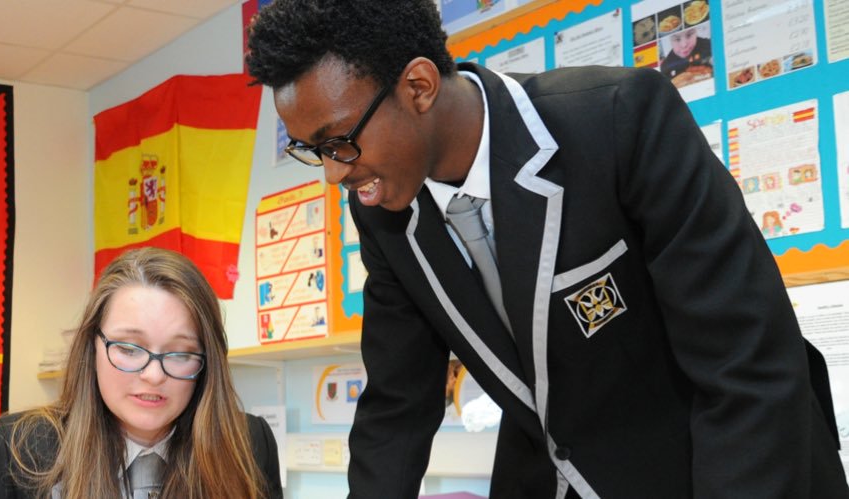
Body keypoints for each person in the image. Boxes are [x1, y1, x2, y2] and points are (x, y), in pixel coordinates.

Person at [245, 1, 846, 498]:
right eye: (310, 150)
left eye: (338, 141)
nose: (331, 172)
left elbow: (745, 363)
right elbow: (396, 406)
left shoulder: (617, 119)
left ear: (419, 87)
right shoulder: (386, 214)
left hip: (722, 465)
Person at [0, 247, 283, 498]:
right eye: (130, 349)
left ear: (206, 362)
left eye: (180, 353)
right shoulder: (19, 446)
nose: (154, 375)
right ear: (92, 347)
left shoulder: (250, 443)